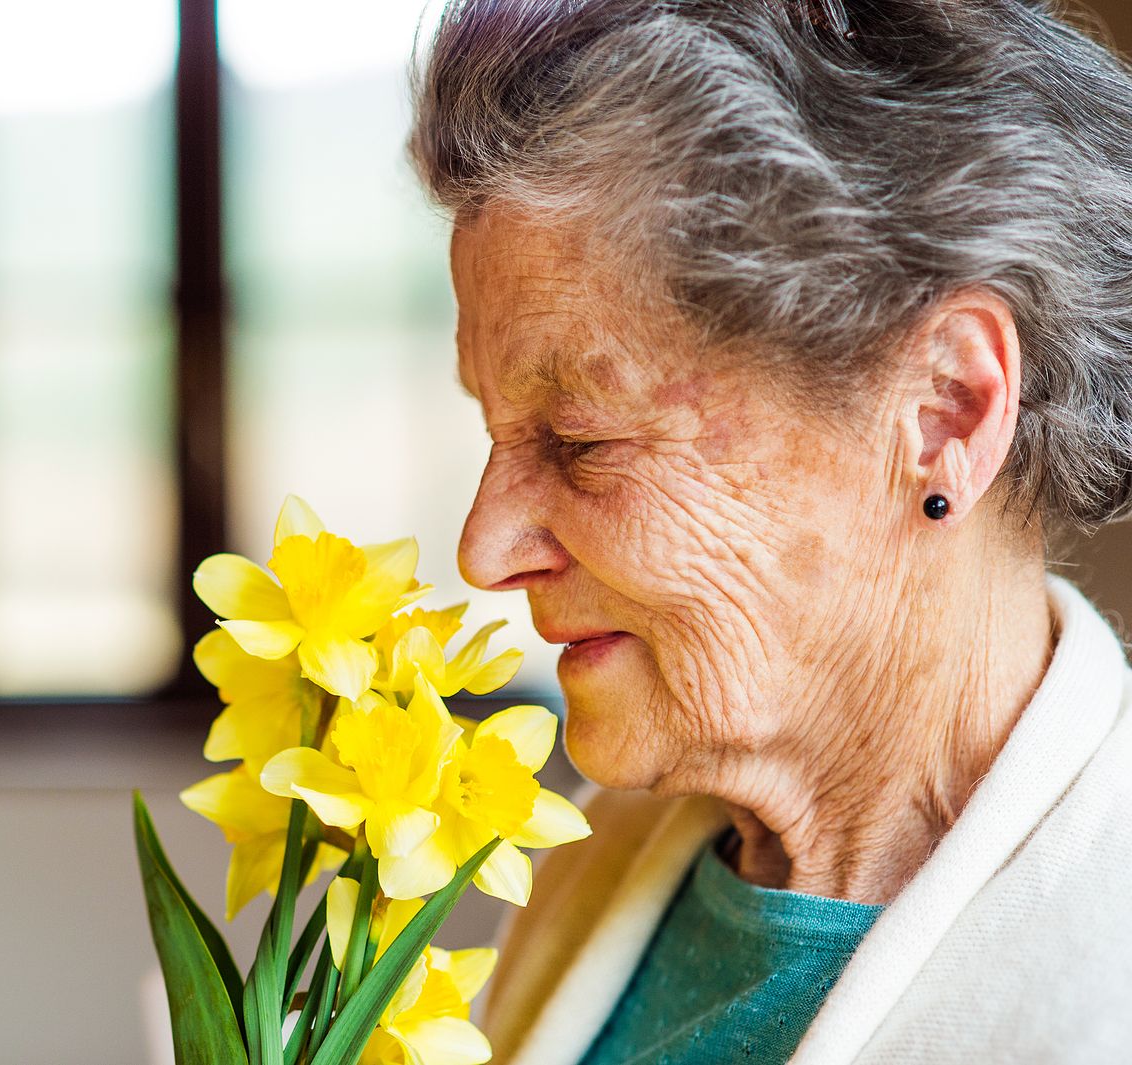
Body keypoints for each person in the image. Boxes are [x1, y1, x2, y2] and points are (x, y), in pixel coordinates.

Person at [406, 0, 1132, 1061]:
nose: (484, 550)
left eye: (579, 438)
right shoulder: (599, 859)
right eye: (495, 430)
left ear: (945, 412)